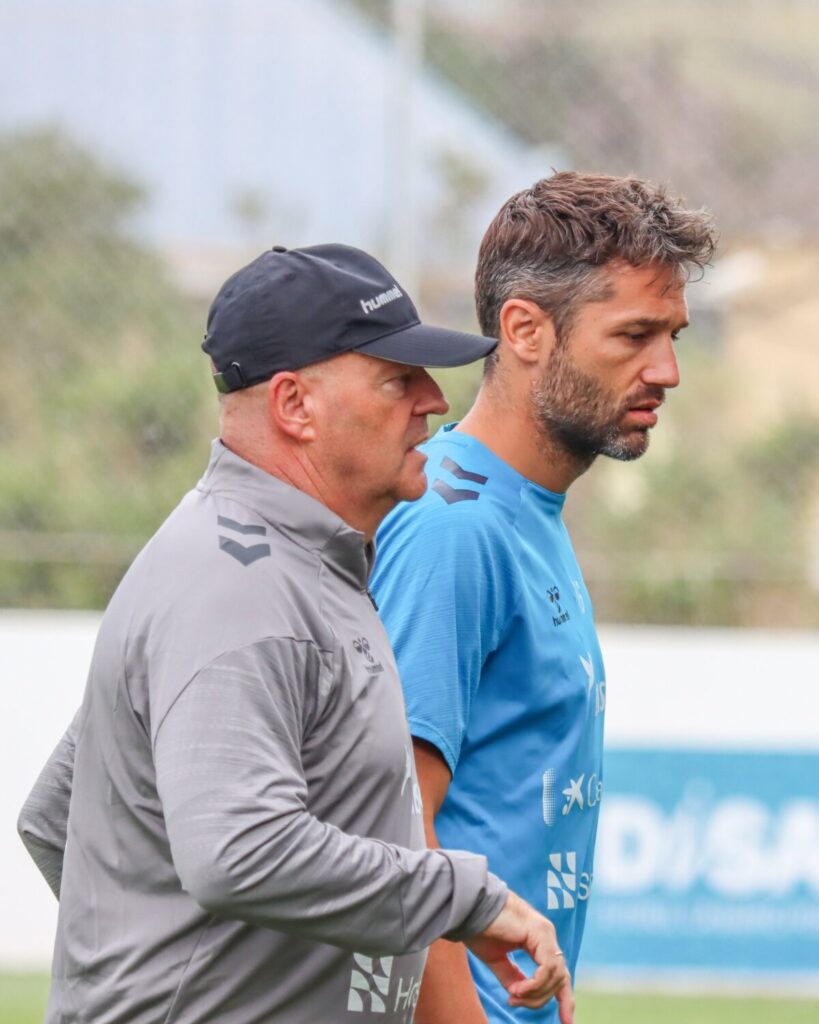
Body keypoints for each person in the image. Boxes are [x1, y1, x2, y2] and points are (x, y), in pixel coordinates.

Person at [17, 244, 574, 1024]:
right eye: (395, 378)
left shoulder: (274, 560)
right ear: (294, 407)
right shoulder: (238, 585)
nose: (431, 400)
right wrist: (463, 898)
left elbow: (58, 816)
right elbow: (237, 850)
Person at [371, 173, 717, 1023]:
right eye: (633, 335)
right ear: (524, 330)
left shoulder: (523, 507)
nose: (665, 370)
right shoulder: (455, 531)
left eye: (671, 334)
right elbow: (394, 832)